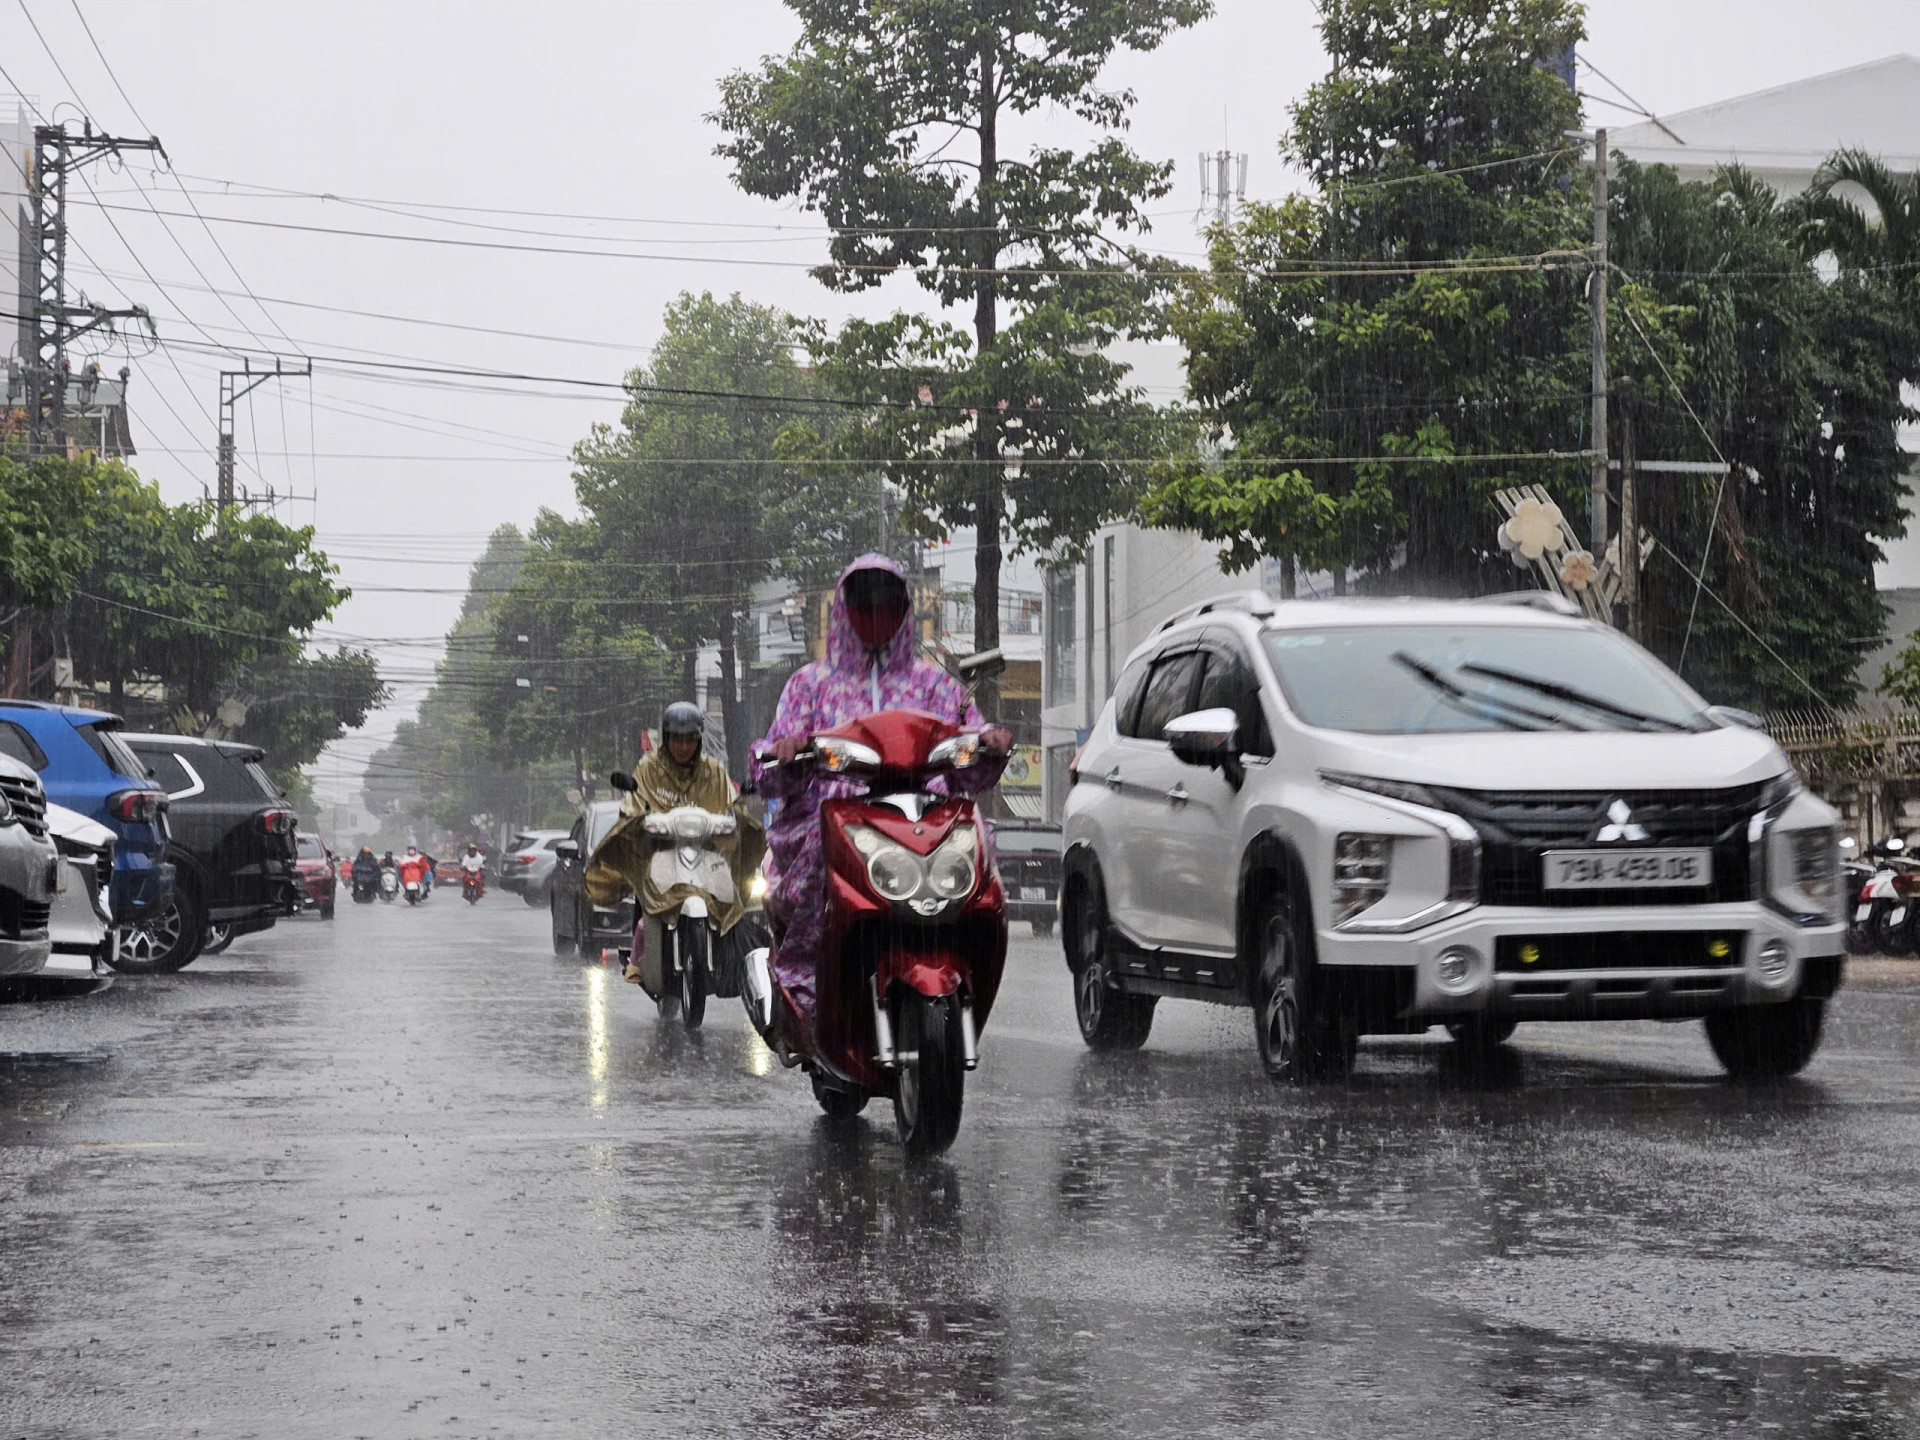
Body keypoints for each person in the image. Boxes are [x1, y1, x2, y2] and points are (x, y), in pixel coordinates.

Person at [750, 554, 1010, 1020]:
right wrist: (785, 751)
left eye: (886, 600)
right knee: (820, 846)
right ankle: (803, 977)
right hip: (832, 819)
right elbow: (773, 763)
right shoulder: (809, 685)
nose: (875, 611)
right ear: (844, 609)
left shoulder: (935, 685)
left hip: (924, 820)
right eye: (863, 600)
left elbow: (969, 745)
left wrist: (988, 743)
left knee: (980, 843)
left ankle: (972, 956)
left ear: (904, 609)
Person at [586, 701, 765, 988]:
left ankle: (735, 965)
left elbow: (731, 804)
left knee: (736, 901)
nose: (683, 747)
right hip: (659, 852)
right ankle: (637, 959)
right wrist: (640, 819)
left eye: (690, 740)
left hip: (705, 854)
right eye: (677, 739)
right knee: (646, 897)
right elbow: (634, 804)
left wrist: (739, 811)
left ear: (699, 739)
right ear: (667, 740)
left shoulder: (714, 772)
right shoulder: (648, 768)